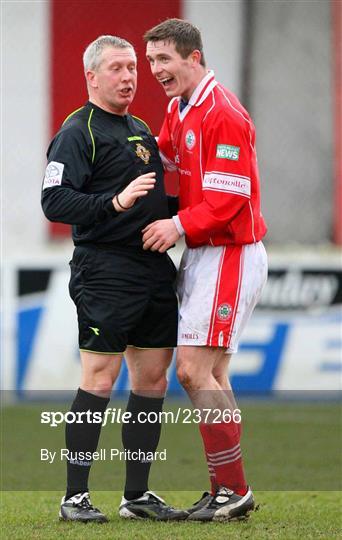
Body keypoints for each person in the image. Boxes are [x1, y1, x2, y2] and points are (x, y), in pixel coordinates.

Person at [41, 35, 188, 523]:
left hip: (150, 270)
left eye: (133, 69)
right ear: (92, 76)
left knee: (152, 380)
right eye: (118, 69)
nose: (129, 77)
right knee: (100, 379)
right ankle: (75, 498)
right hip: (104, 270)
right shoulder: (76, 132)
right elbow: (55, 202)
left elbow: (156, 199)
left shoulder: (142, 128)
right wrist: (116, 202)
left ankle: (137, 496)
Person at [143, 19, 268, 522]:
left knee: (193, 371)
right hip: (205, 253)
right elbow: (164, 156)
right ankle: (226, 489)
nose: (156, 70)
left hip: (231, 253)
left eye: (164, 59)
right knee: (212, 373)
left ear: (194, 57)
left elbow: (228, 201)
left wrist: (174, 223)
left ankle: (232, 490)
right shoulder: (181, 108)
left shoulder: (224, 114)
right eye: (151, 61)